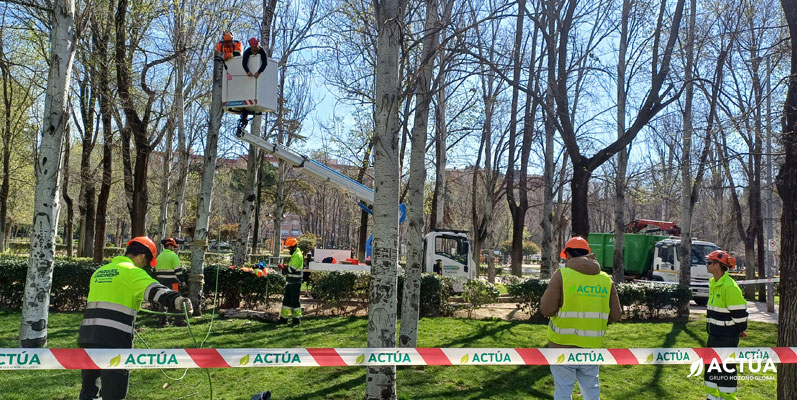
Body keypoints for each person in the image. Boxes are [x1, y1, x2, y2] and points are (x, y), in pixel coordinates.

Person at [78, 236, 192, 400]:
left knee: (89, 392)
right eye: (146, 263)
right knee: (114, 393)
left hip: (88, 338)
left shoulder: (99, 272)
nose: (145, 267)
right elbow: (156, 290)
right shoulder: (132, 272)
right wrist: (178, 300)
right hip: (114, 341)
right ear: (141, 257)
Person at [540, 236, 622, 400]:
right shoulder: (606, 280)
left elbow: (547, 309)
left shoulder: (561, 275)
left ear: (568, 255)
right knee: (591, 393)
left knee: (563, 392)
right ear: (589, 254)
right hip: (591, 348)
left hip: (561, 346)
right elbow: (616, 315)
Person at [704, 250, 748, 400]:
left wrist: (741, 329)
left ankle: (727, 397)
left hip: (726, 338)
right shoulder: (714, 283)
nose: (707, 265)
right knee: (711, 368)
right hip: (714, 335)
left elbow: (740, 313)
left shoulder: (729, 287)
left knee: (725, 369)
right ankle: (713, 396)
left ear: (718, 266)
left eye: (709, 262)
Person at [154, 237, 187, 326]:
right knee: (177, 300)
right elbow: (178, 271)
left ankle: (163, 321)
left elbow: (155, 271)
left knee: (162, 301)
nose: (174, 248)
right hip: (173, 283)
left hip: (161, 282)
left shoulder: (159, 257)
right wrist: (183, 282)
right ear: (169, 246)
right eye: (173, 246)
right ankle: (179, 320)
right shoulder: (173, 256)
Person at [278, 236, 304, 325]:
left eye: (289, 248)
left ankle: (296, 320)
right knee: (287, 301)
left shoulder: (297, 255)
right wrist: (285, 267)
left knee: (294, 301)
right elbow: (291, 267)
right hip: (291, 282)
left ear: (293, 247)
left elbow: (290, 270)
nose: (289, 250)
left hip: (295, 282)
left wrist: (283, 268)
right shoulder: (295, 254)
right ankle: (284, 319)